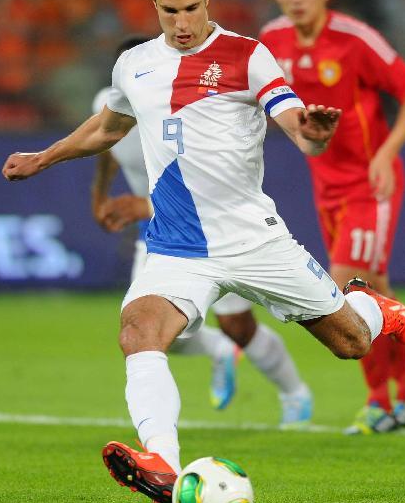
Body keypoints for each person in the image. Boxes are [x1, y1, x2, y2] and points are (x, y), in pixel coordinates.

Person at [2, 0, 405, 503]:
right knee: (137, 331)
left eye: (190, 9)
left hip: (254, 240)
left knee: (352, 343)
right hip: (178, 246)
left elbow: (296, 124)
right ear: (153, 3)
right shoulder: (135, 66)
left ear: (209, 0)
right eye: (168, 11)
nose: (180, 23)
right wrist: (44, 157)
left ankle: (374, 308)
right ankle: (163, 466)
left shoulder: (249, 56)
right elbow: (107, 127)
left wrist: (314, 130)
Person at [90, 36, 314, 427]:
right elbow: (106, 148)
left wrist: (141, 205)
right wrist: (100, 195)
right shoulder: (109, 107)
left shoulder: (189, 108)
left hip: (216, 231)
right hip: (161, 238)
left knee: (239, 326)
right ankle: (220, 351)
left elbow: (207, 186)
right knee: (154, 332)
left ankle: (295, 394)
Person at [260, 0, 405, 435]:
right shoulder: (271, 39)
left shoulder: (355, 39)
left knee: (343, 288)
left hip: (369, 184)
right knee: (375, 293)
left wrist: (384, 152)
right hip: (326, 185)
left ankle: (378, 402)